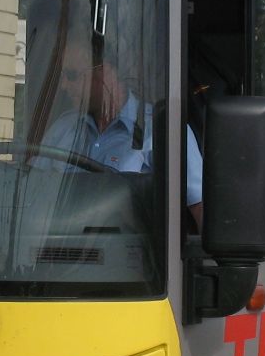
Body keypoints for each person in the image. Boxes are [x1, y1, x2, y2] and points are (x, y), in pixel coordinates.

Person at [40, 35, 205, 228]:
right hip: (57, 243)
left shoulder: (163, 130)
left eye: (71, 75)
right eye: (61, 76)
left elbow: (200, 209)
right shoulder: (61, 129)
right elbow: (31, 191)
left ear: (105, 72)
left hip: (132, 245)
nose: (63, 86)